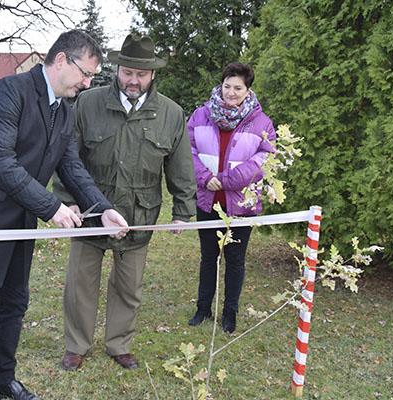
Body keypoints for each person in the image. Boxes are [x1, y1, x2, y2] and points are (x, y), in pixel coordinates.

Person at [0, 30, 128, 400]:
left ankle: (4, 383)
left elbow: (71, 166)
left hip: (19, 220)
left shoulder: (65, 110)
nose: (87, 83)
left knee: (14, 303)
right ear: (62, 60)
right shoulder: (8, 92)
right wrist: (52, 208)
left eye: (92, 78)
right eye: (85, 74)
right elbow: (0, 162)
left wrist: (104, 209)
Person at [54, 34, 196, 371]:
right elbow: (68, 156)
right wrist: (66, 199)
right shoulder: (87, 104)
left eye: (141, 75)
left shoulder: (171, 114)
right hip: (90, 213)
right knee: (79, 285)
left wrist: (183, 212)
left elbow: (180, 167)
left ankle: (119, 344)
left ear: (152, 75)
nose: (133, 80)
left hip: (138, 215)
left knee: (128, 288)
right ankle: (77, 345)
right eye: (127, 72)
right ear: (118, 69)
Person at [186, 62, 275, 334]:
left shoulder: (262, 123)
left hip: (242, 207)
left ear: (248, 91)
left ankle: (230, 313)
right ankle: (203, 308)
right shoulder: (200, 116)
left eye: (238, 87)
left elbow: (263, 159)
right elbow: (187, 150)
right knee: (208, 258)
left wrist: (225, 181)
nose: (231, 92)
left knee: (235, 261)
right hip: (208, 203)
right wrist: (204, 178)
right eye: (227, 86)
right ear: (220, 85)